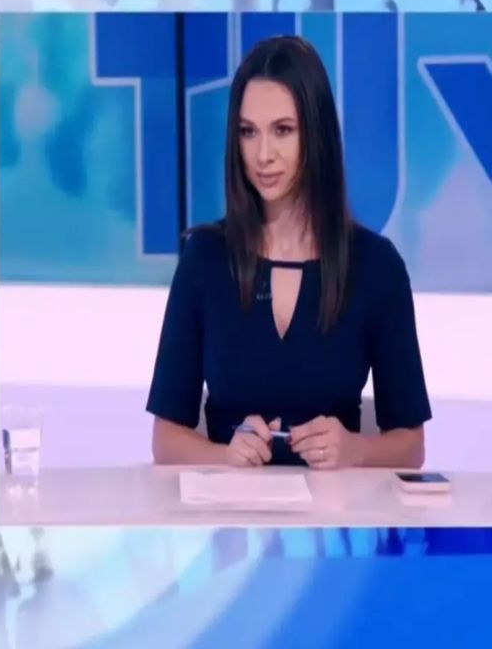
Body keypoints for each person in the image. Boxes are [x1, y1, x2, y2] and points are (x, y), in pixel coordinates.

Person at [147, 36, 430, 470]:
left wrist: (355, 450)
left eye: (283, 130)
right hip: (229, 511)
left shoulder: (376, 267)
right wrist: (225, 456)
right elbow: (166, 439)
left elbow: (411, 445)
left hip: (337, 511)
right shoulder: (205, 259)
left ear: (315, 134)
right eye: (248, 132)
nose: (263, 155)